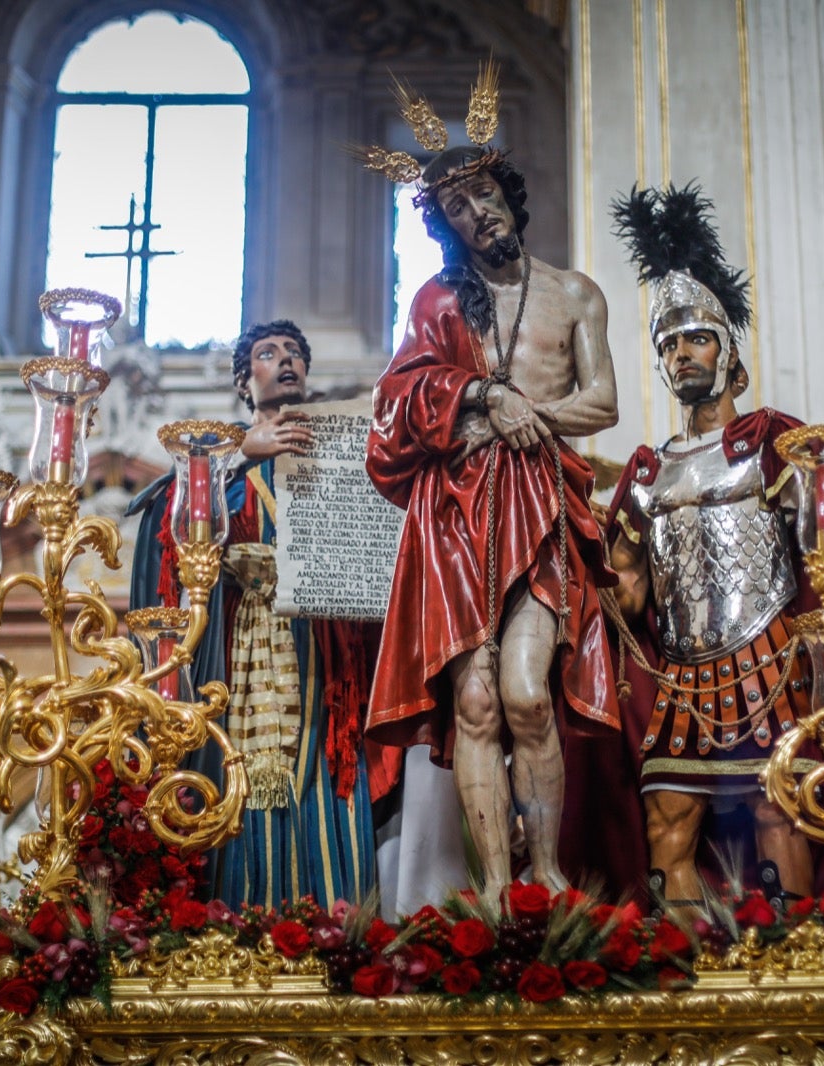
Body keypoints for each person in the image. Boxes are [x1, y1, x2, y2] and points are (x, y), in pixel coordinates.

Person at [604, 185, 824, 908]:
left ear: (730, 353)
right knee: (667, 819)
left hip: (769, 656)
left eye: (695, 338)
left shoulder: (768, 443)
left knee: (778, 809)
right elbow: (629, 591)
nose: (680, 354)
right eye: (667, 345)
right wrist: (590, 577)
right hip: (679, 674)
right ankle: (684, 971)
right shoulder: (648, 471)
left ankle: (793, 960)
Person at [364, 127, 621, 900]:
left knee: (525, 693)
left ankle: (546, 872)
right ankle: (502, 892)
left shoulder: (574, 293)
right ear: (446, 228)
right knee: (474, 701)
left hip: (540, 499)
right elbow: (395, 399)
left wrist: (525, 412)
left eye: (483, 194)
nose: (477, 213)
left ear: (508, 194)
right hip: (457, 514)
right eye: (456, 207)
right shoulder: (438, 301)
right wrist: (482, 393)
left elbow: (602, 401)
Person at [128, 320, 396, 909]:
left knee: (327, 779)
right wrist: (240, 455)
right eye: (268, 354)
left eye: (296, 353)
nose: (286, 361)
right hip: (242, 654)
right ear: (247, 382)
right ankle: (245, 929)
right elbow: (172, 529)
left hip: (322, 651)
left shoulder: (340, 452)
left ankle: (335, 928)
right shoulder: (218, 460)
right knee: (240, 780)